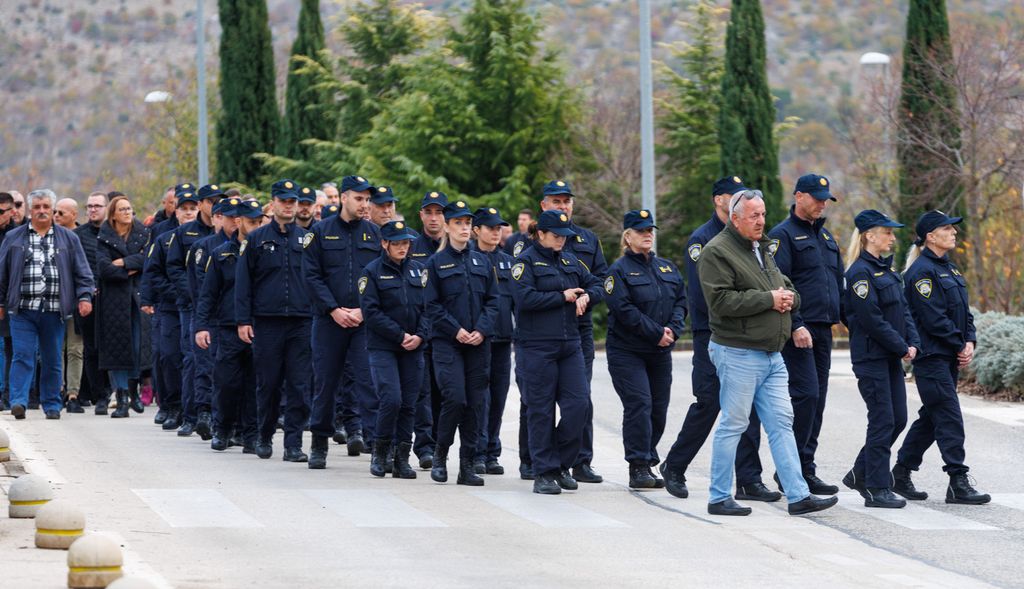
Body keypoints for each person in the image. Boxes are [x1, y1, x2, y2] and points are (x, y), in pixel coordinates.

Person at [699, 189, 837, 516]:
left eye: (762, 214)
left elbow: (784, 285)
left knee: (781, 423)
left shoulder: (760, 249)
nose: (761, 221)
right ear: (735, 219)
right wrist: (769, 300)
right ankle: (719, 496)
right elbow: (720, 303)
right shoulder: (716, 252)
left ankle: (798, 495)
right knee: (733, 424)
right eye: (753, 216)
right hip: (738, 352)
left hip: (772, 354)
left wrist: (789, 298)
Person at [660, 177, 773, 501]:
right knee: (709, 402)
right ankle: (675, 465)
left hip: (744, 333)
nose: (737, 198)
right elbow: (704, 295)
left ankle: (749, 479)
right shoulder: (703, 240)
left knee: (746, 406)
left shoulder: (748, 241)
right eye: (730, 195)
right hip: (712, 332)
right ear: (718, 201)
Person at [893, 211, 990, 505]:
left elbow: (965, 311)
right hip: (932, 357)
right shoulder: (920, 273)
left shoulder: (952, 270)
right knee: (948, 416)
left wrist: (969, 340)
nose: (954, 233)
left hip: (948, 356)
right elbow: (933, 318)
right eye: (947, 229)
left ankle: (900, 472)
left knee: (933, 417)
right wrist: (959, 344)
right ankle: (957, 481)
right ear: (930, 237)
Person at [510, 210, 603, 494]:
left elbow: (598, 283)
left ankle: (561, 463)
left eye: (564, 236)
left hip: (569, 343)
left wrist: (587, 296)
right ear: (541, 234)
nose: (562, 240)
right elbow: (522, 298)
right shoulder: (524, 261)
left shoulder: (570, 261)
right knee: (540, 410)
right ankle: (544, 472)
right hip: (536, 346)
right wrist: (560, 297)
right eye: (556, 235)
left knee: (579, 406)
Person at [766, 174, 843, 495]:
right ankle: (790, 470)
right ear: (799, 196)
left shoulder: (826, 238)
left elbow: (837, 284)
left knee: (818, 399)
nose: (822, 203)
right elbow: (778, 282)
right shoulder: (782, 237)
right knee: (806, 396)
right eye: (816, 197)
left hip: (824, 329)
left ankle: (804, 468)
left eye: (825, 198)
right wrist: (796, 323)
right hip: (798, 329)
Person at [302, 175, 381, 468]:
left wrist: (363, 310)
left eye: (367, 199)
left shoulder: (374, 235)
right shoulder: (320, 232)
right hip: (328, 322)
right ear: (344, 198)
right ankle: (319, 444)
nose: (364, 204)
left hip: (363, 322)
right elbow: (311, 276)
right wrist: (334, 309)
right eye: (359, 198)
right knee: (325, 384)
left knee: (368, 383)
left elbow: (377, 279)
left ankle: (377, 446)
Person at [839, 210, 917, 508]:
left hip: (890, 357)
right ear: (869, 235)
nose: (892, 237)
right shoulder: (859, 273)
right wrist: (901, 346)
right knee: (883, 419)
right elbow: (870, 319)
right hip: (871, 357)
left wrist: (912, 342)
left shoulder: (887, 271)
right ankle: (876, 487)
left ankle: (861, 473)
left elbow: (903, 311)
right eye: (887, 232)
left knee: (898, 418)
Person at [605, 210, 686, 489]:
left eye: (650, 230)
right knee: (639, 404)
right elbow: (624, 310)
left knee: (658, 410)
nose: (648, 234)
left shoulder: (666, 267)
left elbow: (681, 302)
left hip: (660, 352)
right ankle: (638, 465)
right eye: (641, 231)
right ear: (627, 236)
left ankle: (648, 459)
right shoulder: (618, 271)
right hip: (628, 351)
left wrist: (673, 330)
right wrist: (656, 333)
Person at [534, 180, 608, 483]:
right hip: (541, 333)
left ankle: (577, 460)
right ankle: (537, 462)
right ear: (544, 205)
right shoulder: (532, 244)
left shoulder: (588, 240)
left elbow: (602, 279)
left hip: (578, 330)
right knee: (538, 402)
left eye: (567, 200)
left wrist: (589, 296)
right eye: (556, 201)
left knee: (580, 399)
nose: (563, 205)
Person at [236, 180, 313, 462]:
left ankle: (293, 443)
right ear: (274, 203)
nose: (289, 206)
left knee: (299, 385)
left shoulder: (306, 239)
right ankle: (264, 435)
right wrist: (243, 320)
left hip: (301, 322)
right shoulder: (256, 239)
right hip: (267, 322)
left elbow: (316, 279)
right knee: (268, 383)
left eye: (292, 201)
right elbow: (243, 284)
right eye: (284, 201)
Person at [423, 199, 499, 486]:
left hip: (479, 342)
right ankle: (440, 455)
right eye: (459, 223)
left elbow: (494, 301)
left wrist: (481, 329)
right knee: (455, 398)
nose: (465, 228)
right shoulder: (435, 263)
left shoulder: (482, 260)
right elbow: (431, 306)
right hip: (448, 343)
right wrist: (456, 330)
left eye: (467, 223)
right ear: (447, 226)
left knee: (475, 404)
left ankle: (467, 465)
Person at [0, 189, 94, 419]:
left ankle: (51, 404)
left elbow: (83, 272)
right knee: (23, 355)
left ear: (53, 210)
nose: (41, 211)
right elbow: (2, 273)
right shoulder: (14, 238)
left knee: (52, 358)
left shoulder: (69, 238)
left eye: (46, 207)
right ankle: (19, 401)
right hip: (22, 309)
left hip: (54, 311)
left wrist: (84, 297)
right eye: (37, 207)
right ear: (29, 211)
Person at [359, 220, 429, 478]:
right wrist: (400, 335)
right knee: (392, 399)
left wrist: (420, 336)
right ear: (384, 243)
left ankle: (402, 459)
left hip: (414, 346)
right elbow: (371, 312)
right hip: (384, 346)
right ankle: (380, 452)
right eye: (397, 243)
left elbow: (427, 308)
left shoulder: (419, 271)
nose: (403, 248)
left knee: (409, 403)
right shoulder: (371, 272)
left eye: (406, 243)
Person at [196, 198, 264, 453]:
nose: (257, 226)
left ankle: (251, 434)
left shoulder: (265, 251)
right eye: (252, 222)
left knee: (255, 383)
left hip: (260, 325)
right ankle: (222, 428)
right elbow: (208, 293)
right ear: (239, 222)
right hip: (228, 326)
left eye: (260, 221)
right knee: (226, 382)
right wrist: (201, 325)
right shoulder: (221, 253)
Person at [165, 183, 220, 436]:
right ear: (201, 205)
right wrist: (195, 292)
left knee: (217, 361)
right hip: (191, 304)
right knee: (192, 358)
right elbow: (174, 268)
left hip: (221, 306)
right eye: (209, 201)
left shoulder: (230, 231)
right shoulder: (185, 233)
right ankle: (190, 415)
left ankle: (215, 414)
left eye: (217, 200)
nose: (214, 205)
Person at [140, 183, 194, 428]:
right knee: (166, 355)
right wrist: (148, 299)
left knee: (190, 357)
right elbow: (152, 269)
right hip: (169, 303)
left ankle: (189, 406)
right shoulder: (162, 233)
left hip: (195, 305)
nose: (189, 213)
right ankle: (170, 405)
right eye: (184, 208)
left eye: (193, 208)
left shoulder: (205, 234)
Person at [95, 195, 151, 418]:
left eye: (130, 208)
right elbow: (103, 269)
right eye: (122, 209)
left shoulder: (143, 234)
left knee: (137, 347)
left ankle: (134, 389)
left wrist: (124, 262)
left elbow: (147, 259)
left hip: (137, 298)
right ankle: (122, 399)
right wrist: (129, 267)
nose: (128, 212)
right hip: (113, 301)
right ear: (114, 214)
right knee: (117, 350)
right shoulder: (104, 237)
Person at [471, 207, 515, 475]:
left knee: (499, 397)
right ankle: (476, 450)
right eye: (490, 227)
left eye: (499, 228)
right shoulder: (469, 259)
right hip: (479, 339)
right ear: (477, 230)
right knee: (480, 398)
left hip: (503, 339)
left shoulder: (509, 261)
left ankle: (491, 452)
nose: (496, 232)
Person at [185, 191, 232, 439]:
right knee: (205, 366)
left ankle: (227, 418)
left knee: (228, 372)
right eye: (226, 216)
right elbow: (198, 287)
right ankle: (204, 412)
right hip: (209, 316)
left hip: (234, 318)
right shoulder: (203, 248)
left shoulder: (246, 245)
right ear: (217, 218)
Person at [409, 190, 449, 468]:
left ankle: (439, 444)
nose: (434, 218)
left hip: (447, 331)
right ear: (421, 215)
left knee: (444, 391)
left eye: (439, 212)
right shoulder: (410, 246)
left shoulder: (456, 247)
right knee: (422, 392)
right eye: (429, 212)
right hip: (420, 328)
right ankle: (424, 446)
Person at [72, 192, 109, 413]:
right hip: (87, 298)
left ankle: (115, 391)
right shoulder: (77, 235)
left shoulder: (113, 234)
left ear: (106, 208)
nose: (93, 209)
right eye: (89, 206)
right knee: (90, 348)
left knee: (110, 347)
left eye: (97, 206)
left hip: (113, 298)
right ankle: (98, 394)